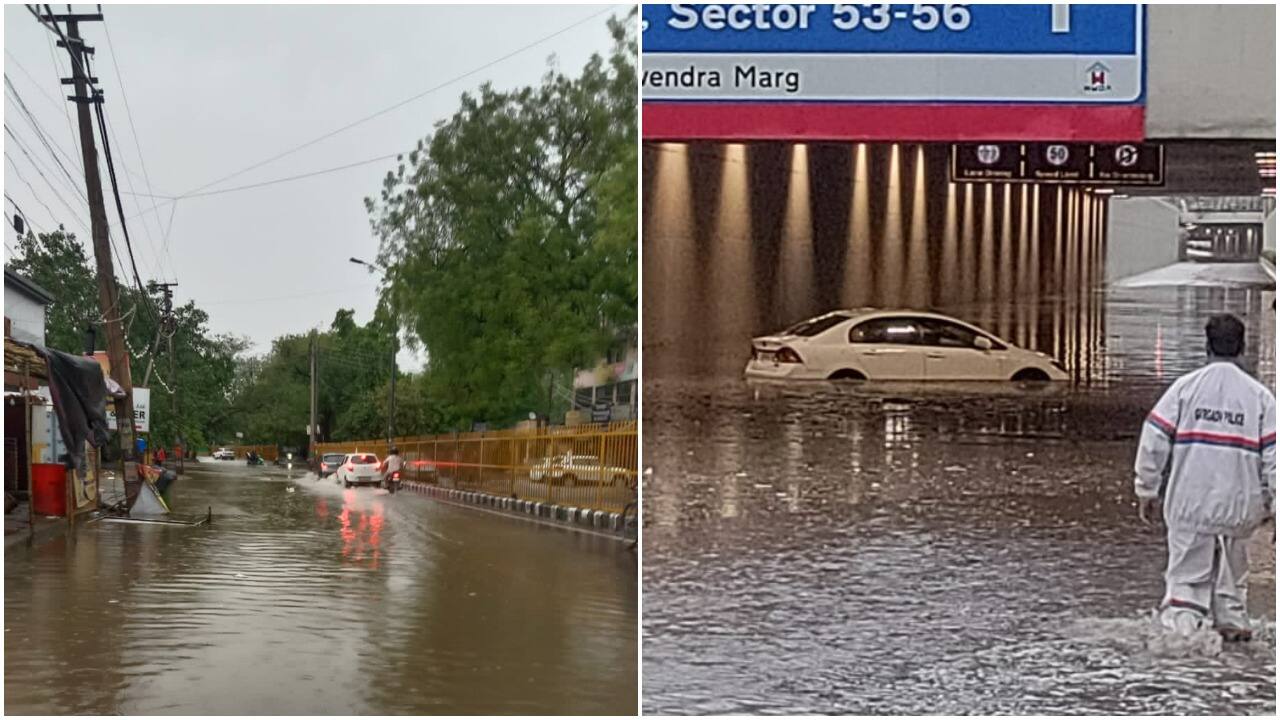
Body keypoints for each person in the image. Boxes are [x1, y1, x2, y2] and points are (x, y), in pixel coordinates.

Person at [1134, 313, 1275, 642]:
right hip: (1239, 510)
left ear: (1207, 346)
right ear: (1242, 347)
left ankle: (1184, 654)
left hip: (1189, 505)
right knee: (1231, 589)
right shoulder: (1261, 399)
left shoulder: (1183, 390)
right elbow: (1275, 462)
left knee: (1185, 586)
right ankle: (1233, 641)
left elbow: (1153, 440)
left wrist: (1147, 489)